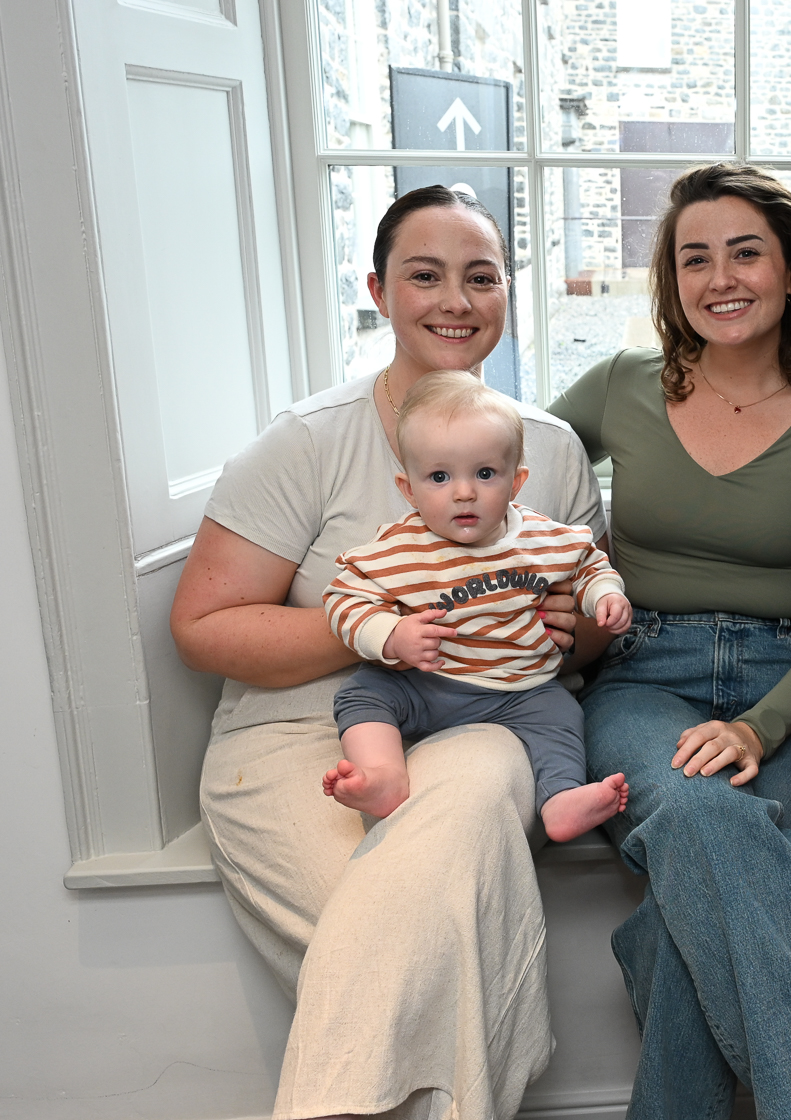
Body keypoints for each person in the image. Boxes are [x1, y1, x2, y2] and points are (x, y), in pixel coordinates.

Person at [172, 186, 607, 1120]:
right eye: (424, 275)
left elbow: (586, 617)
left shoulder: (551, 450)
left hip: (486, 723)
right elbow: (203, 627)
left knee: (416, 919)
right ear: (377, 291)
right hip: (303, 737)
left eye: (480, 277)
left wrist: (577, 625)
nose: (456, 300)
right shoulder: (307, 443)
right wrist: (381, 622)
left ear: (507, 292)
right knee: (406, 950)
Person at [546, 163, 791, 1120]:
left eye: (744, 253)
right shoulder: (620, 386)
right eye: (695, 258)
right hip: (644, 675)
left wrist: (763, 726)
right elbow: (494, 474)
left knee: (697, 882)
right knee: (705, 823)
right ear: (672, 280)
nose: (720, 278)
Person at [322, 370, 632, 841]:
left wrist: (606, 594)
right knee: (361, 695)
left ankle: (561, 798)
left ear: (516, 481)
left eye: (485, 474)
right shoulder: (399, 548)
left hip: (521, 689)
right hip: (427, 684)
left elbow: (589, 564)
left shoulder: (544, 538)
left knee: (563, 714)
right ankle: (384, 776)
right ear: (408, 489)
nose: (464, 492)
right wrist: (391, 635)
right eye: (439, 477)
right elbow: (344, 598)